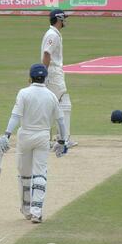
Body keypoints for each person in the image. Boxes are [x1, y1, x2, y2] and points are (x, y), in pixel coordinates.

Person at [0, 64, 67, 223]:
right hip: (43, 136)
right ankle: (37, 211)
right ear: (46, 78)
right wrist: (62, 141)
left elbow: (15, 116)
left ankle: (27, 209)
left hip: (25, 136)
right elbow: (61, 122)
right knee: (40, 173)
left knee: (24, 174)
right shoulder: (51, 96)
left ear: (29, 78)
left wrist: (6, 135)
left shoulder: (24, 93)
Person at [41, 9, 77, 148]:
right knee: (61, 104)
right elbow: (46, 54)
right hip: (53, 73)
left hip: (54, 73)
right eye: (63, 19)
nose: (65, 21)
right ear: (58, 19)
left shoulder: (54, 34)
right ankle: (61, 139)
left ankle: (59, 138)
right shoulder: (52, 35)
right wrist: (43, 74)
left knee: (57, 105)